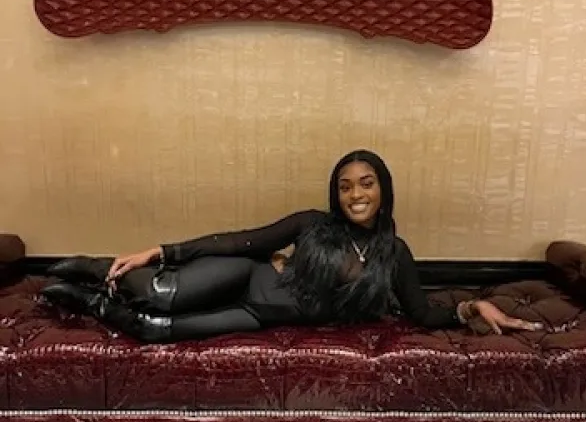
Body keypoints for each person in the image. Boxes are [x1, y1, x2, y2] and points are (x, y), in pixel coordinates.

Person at [41, 150, 542, 343]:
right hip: (246, 276)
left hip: (257, 316)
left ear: (383, 189)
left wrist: (470, 308)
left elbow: (423, 314)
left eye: (366, 183)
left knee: (152, 330)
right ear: (336, 193)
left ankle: (89, 301)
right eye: (345, 186)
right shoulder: (312, 224)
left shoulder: (396, 254)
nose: (355, 194)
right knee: (160, 294)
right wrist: (160, 250)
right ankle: (98, 268)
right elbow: (240, 240)